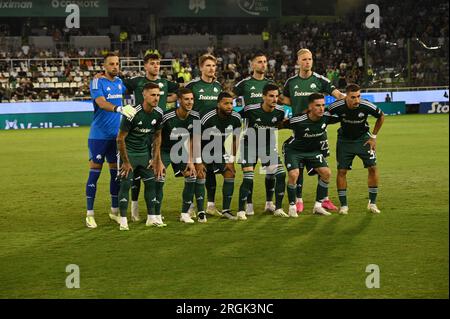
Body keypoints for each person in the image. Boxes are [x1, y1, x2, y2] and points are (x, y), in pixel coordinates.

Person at [282, 48, 345, 214]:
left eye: (309, 59)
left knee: (321, 161)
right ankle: (299, 199)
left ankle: (324, 199)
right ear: (298, 62)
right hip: (300, 126)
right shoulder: (291, 82)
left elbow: (336, 93)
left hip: (318, 127)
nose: (307, 62)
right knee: (299, 163)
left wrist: (346, 99)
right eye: (304, 59)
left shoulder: (319, 80)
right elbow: (285, 98)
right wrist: (296, 106)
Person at [122, 53, 179, 221]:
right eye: (152, 63)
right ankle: (134, 204)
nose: (156, 66)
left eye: (158, 63)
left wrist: (171, 98)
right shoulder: (137, 82)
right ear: (145, 66)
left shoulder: (166, 83)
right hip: (138, 131)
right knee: (135, 172)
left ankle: (153, 212)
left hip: (156, 129)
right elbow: (118, 84)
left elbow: (180, 91)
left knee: (151, 171)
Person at [85, 53, 137, 229]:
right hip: (98, 136)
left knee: (117, 175)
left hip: (116, 138)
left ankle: (114, 211)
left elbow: (135, 88)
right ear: (104, 66)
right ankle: (89, 214)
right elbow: (100, 102)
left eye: (117, 64)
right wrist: (119, 108)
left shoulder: (120, 83)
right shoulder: (97, 82)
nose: (115, 66)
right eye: (112, 64)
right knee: (95, 173)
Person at [327, 83, 385, 215]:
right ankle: (344, 206)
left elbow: (381, 116)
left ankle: (372, 203)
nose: (357, 100)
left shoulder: (366, 105)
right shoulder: (337, 106)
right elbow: (323, 115)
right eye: (353, 97)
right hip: (344, 141)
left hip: (363, 139)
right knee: (342, 171)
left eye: (358, 96)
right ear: (346, 96)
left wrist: (373, 137)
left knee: (373, 168)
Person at [115, 82, 165, 230]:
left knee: (151, 184)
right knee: (125, 185)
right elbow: (120, 138)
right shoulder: (132, 113)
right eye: (153, 95)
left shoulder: (158, 113)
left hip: (144, 154)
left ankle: (151, 218)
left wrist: (155, 159)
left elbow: (157, 137)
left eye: (158, 95)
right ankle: (123, 219)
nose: (156, 98)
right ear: (144, 95)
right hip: (128, 154)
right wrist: (125, 161)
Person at [283, 93, 341, 217]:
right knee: (294, 174)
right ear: (310, 107)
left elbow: (343, 115)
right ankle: (292, 206)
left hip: (313, 151)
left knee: (326, 173)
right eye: (317, 105)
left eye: (323, 105)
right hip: (294, 150)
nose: (321, 108)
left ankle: (318, 206)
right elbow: (279, 125)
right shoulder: (298, 120)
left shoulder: (326, 117)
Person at [233, 52, 276, 215]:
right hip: (250, 135)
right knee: (248, 173)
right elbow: (230, 98)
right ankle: (249, 204)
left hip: (269, 135)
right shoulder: (244, 84)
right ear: (252, 65)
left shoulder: (270, 83)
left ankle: (269, 203)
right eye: (259, 62)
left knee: (271, 171)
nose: (263, 64)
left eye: (265, 61)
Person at [237, 84, 288, 219]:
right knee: (248, 177)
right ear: (263, 96)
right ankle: (244, 208)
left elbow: (279, 124)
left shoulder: (280, 111)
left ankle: (277, 207)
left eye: (276, 96)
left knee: (281, 174)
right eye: (271, 96)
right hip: (249, 145)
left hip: (267, 146)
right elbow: (235, 118)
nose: (274, 99)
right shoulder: (250, 109)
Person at [152, 88, 199, 224]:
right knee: (159, 178)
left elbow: (191, 140)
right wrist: (158, 160)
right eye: (186, 99)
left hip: (181, 150)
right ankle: (156, 214)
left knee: (191, 176)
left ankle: (185, 214)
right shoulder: (167, 116)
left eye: (191, 99)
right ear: (179, 101)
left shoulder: (195, 117)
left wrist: (190, 161)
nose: (190, 102)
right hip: (164, 150)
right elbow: (157, 138)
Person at [185, 54, 223, 217]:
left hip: (213, 134)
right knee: (194, 169)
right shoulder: (193, 85)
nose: (211, 69)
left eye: (213, 66)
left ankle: (211, 205)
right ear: (201, 67)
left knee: (210, 170)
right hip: (195, 133)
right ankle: (191, 206)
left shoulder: (218, 87)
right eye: (208, 65)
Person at [196, 92, 242, 221]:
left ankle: (226, 210)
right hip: (201, 148)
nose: (229, 106)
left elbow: (235, 139)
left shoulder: (236, 118)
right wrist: (198, 161)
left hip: (218, 150)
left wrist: (231, 160)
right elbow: (195, 138)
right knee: (201, 174)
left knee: (230, 172)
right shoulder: (207, 117)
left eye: (231, 103)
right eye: (225, 103)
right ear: (218, 104)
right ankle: (199, 210)